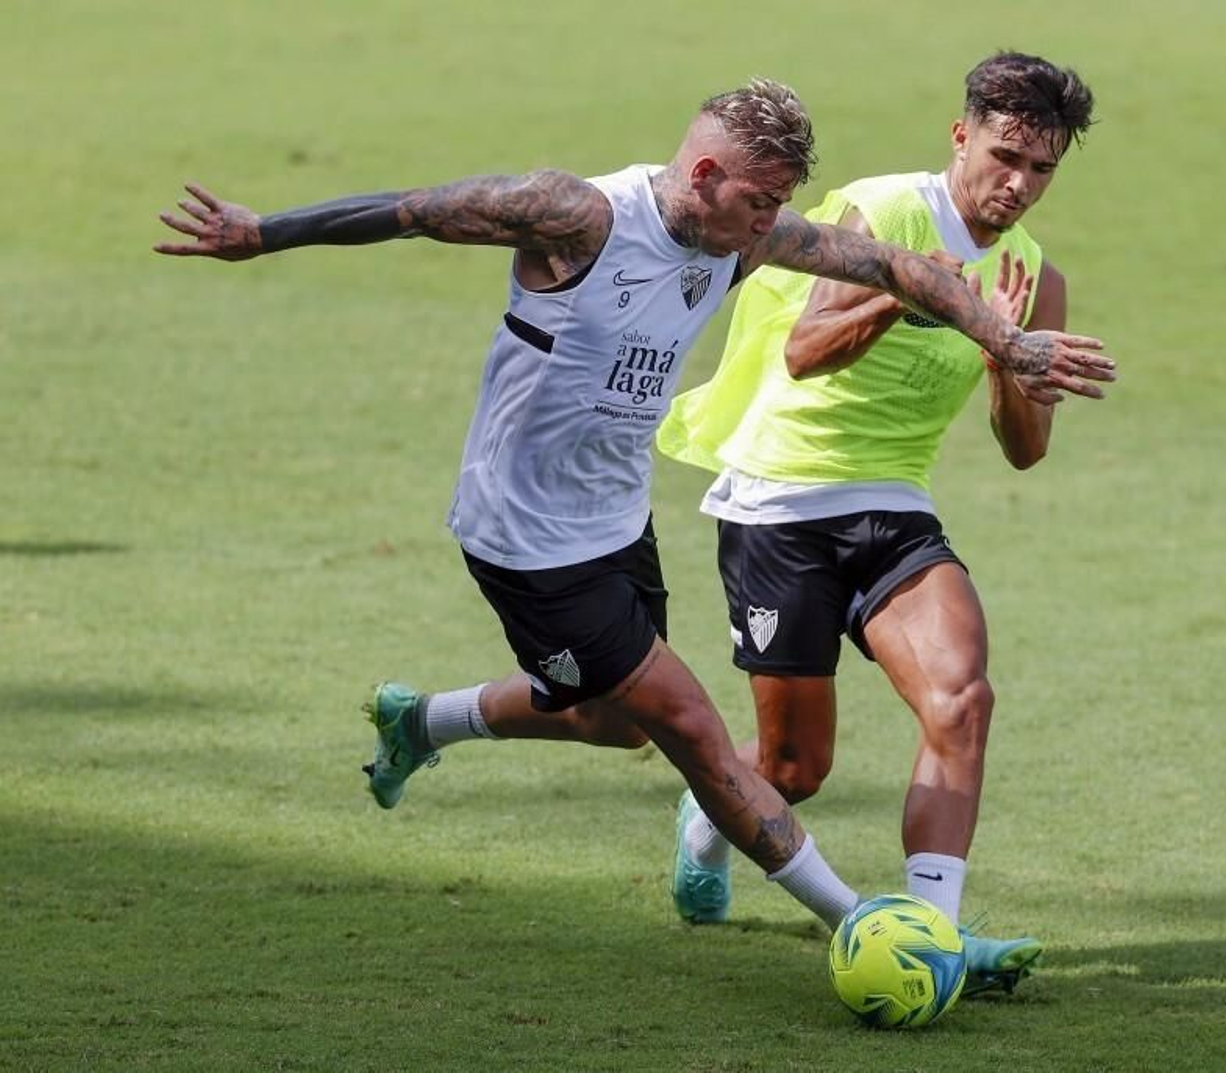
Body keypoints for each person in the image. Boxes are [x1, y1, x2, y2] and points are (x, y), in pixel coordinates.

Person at [154, 79, 1114, 955]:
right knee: (693, 725)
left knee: (617, 724)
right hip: (525, 539)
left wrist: (1007, 340)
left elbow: (902, 270)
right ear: (703, 174)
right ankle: (868, 925)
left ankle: (425, 722)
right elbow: (414, 210)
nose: (776, 227)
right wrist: (262, 232)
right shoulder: (577, 217)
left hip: (615, 521)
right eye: (760, 202)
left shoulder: (740, 235)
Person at [652, 53, 1102, 990]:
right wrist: (914, 293)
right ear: (962, 136)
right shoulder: (888, 214)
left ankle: (933, 935)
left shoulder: (1033, 279)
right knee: (794, 763)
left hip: (893, 501)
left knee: (961, 696)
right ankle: (708, 820)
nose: (1018, 184)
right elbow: (807, 349)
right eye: (1006, 155)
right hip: (782, 498)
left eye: (1043, 169)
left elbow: (1025, 449)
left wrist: (1006, 363)